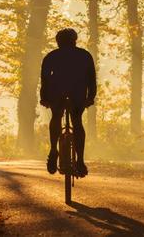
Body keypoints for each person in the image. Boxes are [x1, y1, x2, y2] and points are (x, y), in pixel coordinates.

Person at [40, 28, 96, 177]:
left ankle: (53, 150)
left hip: (56, 93)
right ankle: (80, 161)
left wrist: (44, 97)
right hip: (78, 94)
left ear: (58, 41)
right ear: (75, 40)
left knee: (56, 117)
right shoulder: (84, 55)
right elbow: (91, 79)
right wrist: (91, 97)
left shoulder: (51, 56)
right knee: (77, 122)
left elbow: (44, 80)